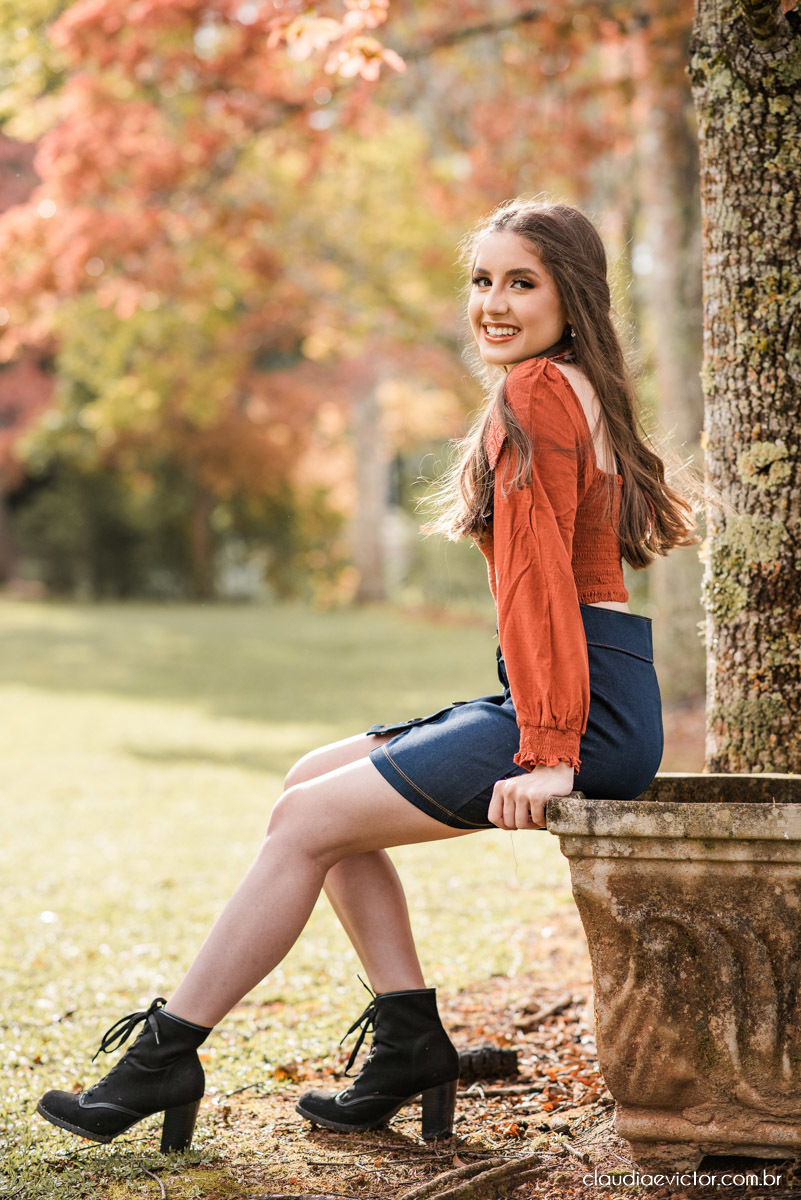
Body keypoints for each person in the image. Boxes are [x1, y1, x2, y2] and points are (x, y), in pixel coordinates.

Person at [37, 197, 697, 1152]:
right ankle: (408, 1043)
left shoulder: (538, 393)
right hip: (588, 690)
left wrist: (552, 748)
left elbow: (536, 579)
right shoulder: (569, 384)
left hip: (580, 709)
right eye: (483, 281)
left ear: (572, 293)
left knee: (305, 825)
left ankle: (165, 1053)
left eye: (523, 282)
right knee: (312, 786)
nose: (495, 304)